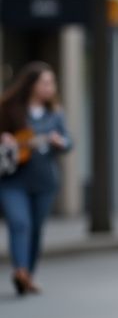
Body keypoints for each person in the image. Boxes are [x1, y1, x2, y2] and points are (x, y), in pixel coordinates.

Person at [0, 62, 73, 295]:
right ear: (31, 84)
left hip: (44, 182)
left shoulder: (55, 114)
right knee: (19, 223)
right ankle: (20, 270)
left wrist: (60, 142)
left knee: (36, 228)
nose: (50, 87)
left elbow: (68, 141)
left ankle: (28, 275)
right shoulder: (9, 107)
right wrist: (6, 140)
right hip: (13, 179)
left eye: (52, 82)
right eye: (45, 82)